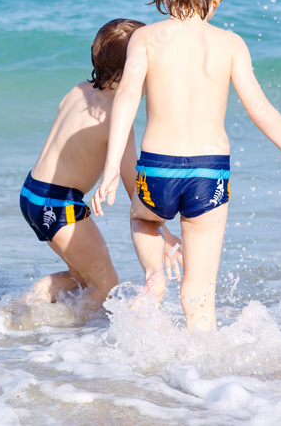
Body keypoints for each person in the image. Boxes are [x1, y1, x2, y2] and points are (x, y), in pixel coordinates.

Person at [92, 0, 281, 331]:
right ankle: (204, 381)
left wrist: (113, 165)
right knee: (200, 294)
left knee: (146, 222)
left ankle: (154, 277)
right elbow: (260, 108)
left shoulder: (145, 39)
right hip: (209, 173)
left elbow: (127, 100)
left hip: (157, 168)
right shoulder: (230, 44)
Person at [19, 18, 182, 318]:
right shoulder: (117, 121)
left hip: (32, 196)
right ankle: (59, 330)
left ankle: (27, 308)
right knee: (106, 283)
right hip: (58, 204)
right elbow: (136, 189)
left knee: (84, 279)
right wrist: (165, 235)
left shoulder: (78, 90)